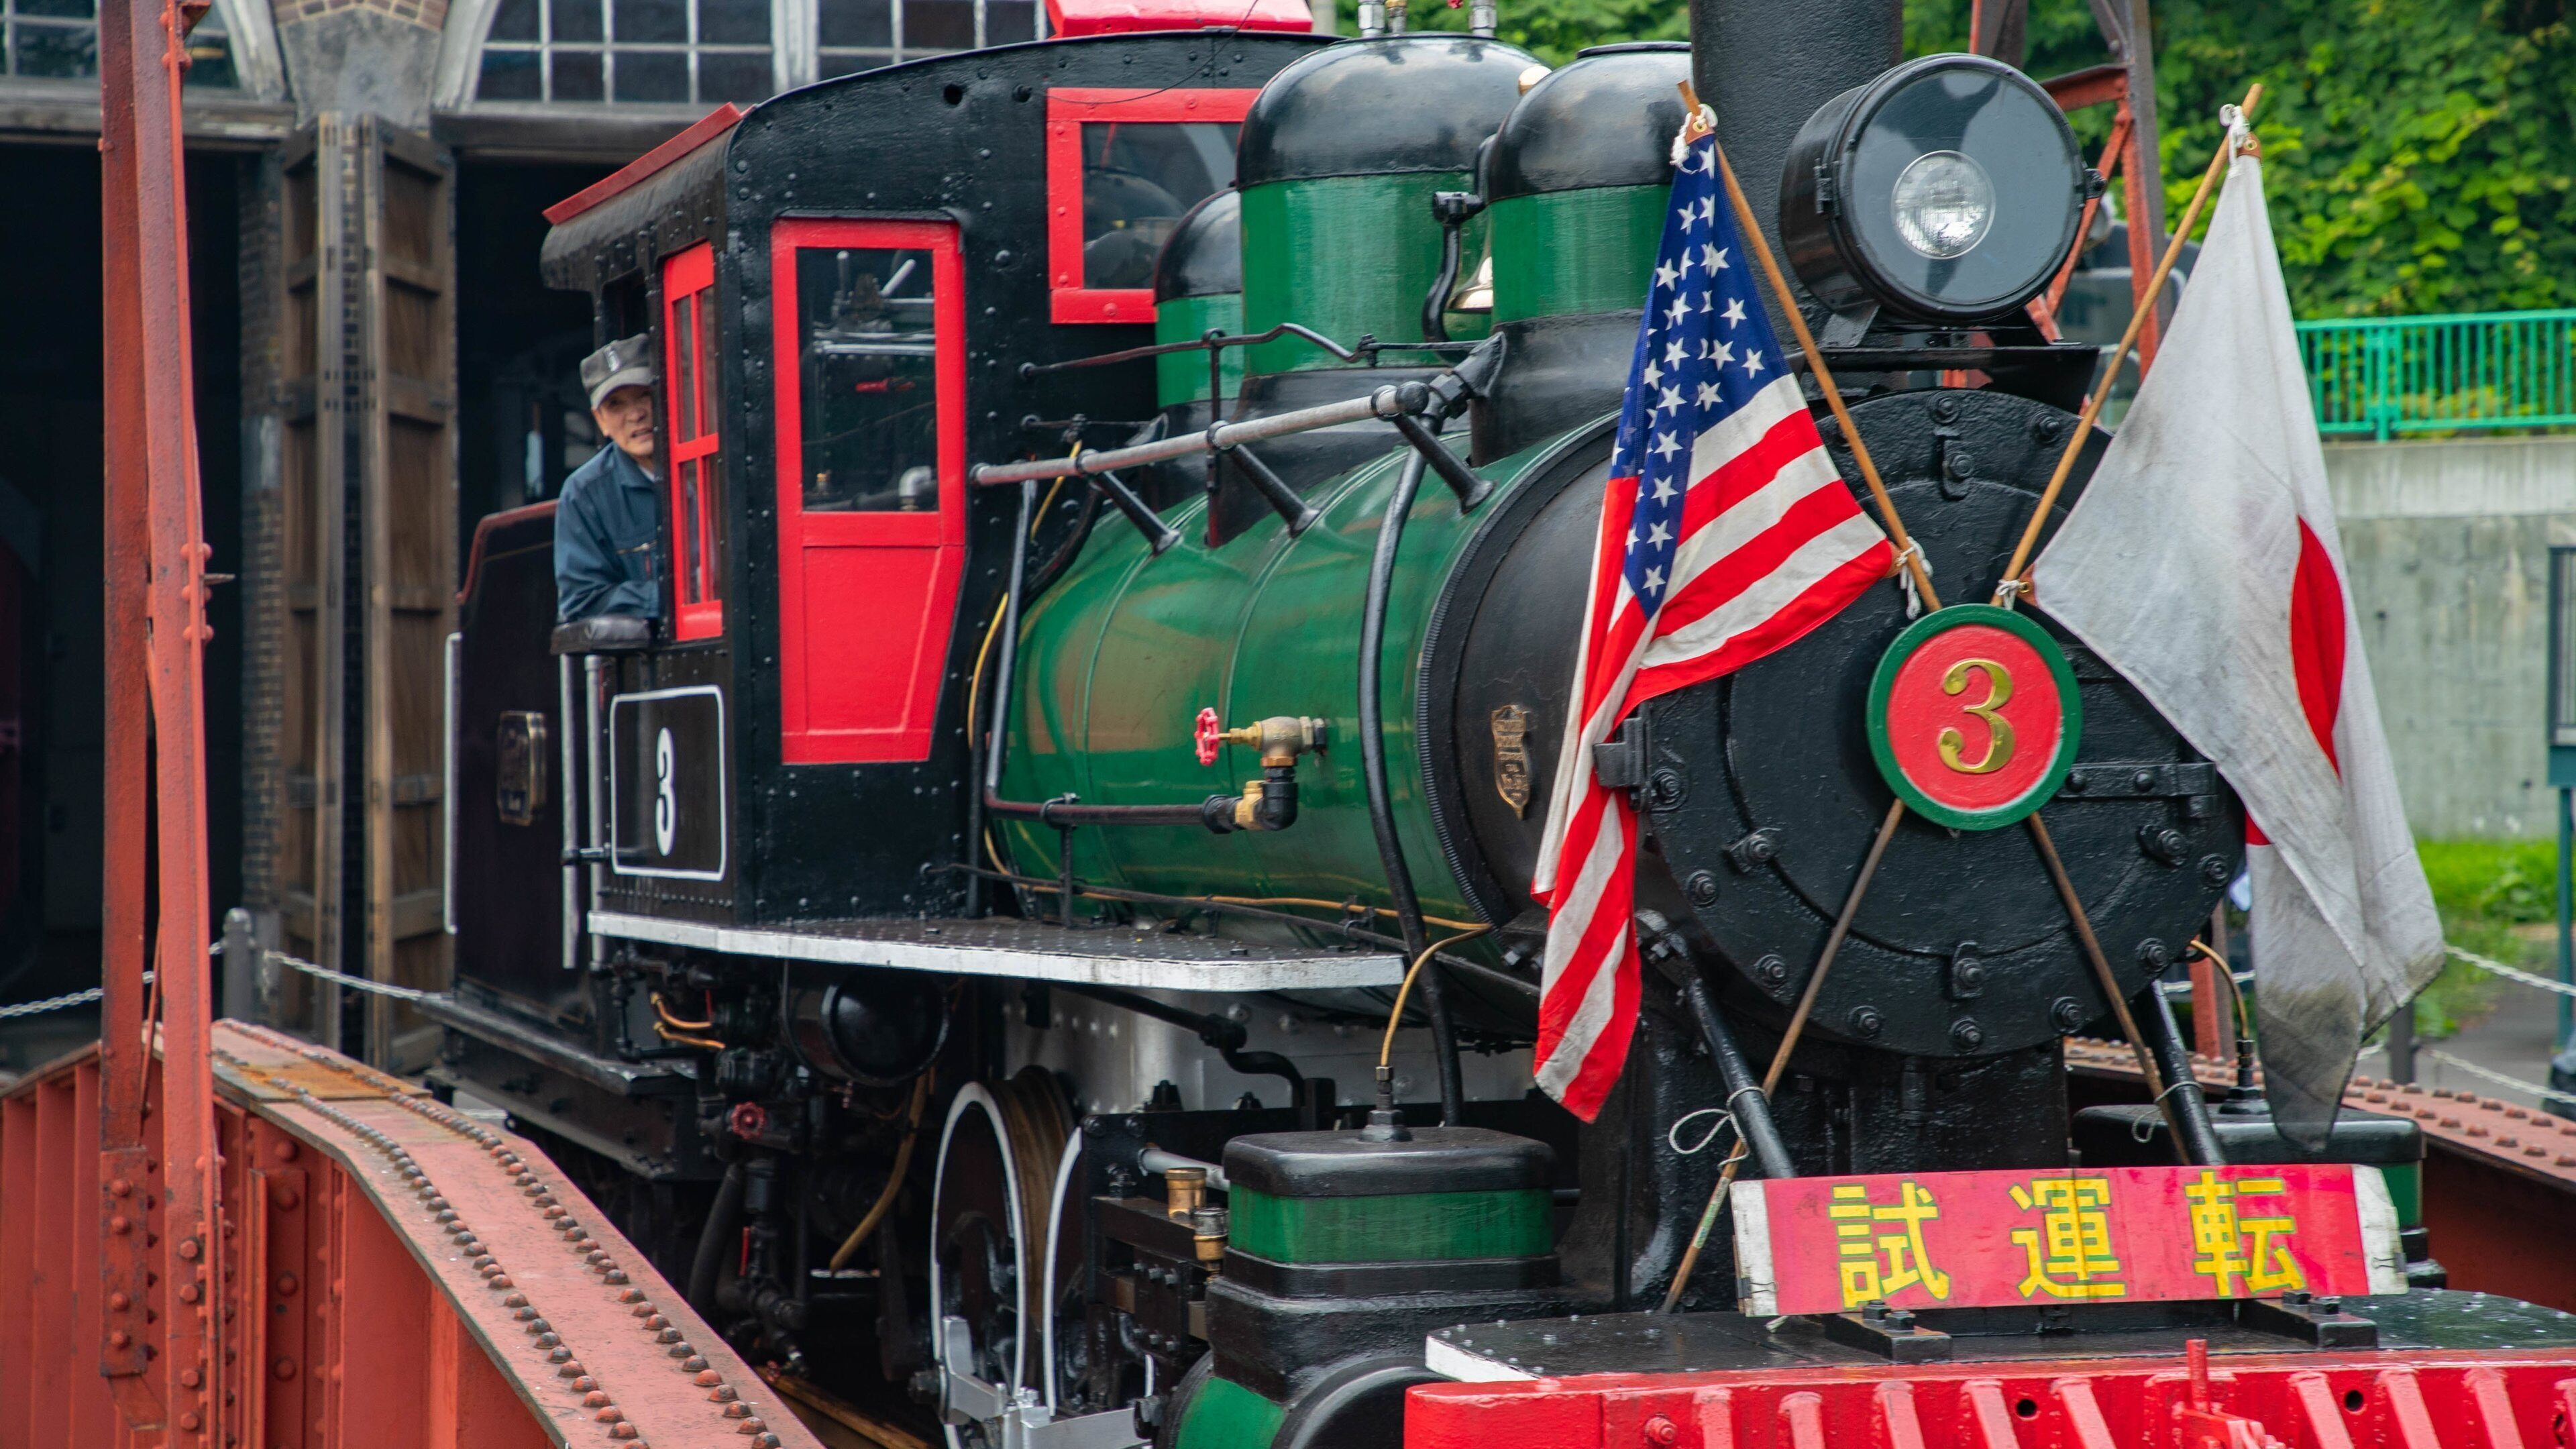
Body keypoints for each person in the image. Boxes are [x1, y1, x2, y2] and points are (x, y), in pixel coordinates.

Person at [555, 334, 663, 622]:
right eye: (616, 405)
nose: (636, 414)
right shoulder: (583, 494)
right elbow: (582, 600)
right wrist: (672, 599)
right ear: (600, 420)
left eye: (644, 395)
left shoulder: (703, 463)